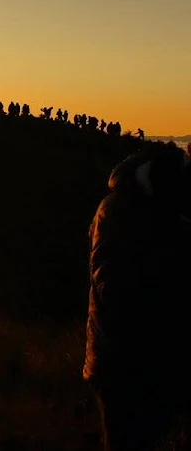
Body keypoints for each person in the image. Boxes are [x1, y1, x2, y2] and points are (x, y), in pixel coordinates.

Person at [84, 143, 191, 450]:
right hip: (123, 365)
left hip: (159, 361)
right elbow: (114, 288)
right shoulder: (121, 211)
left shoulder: (165, 207)